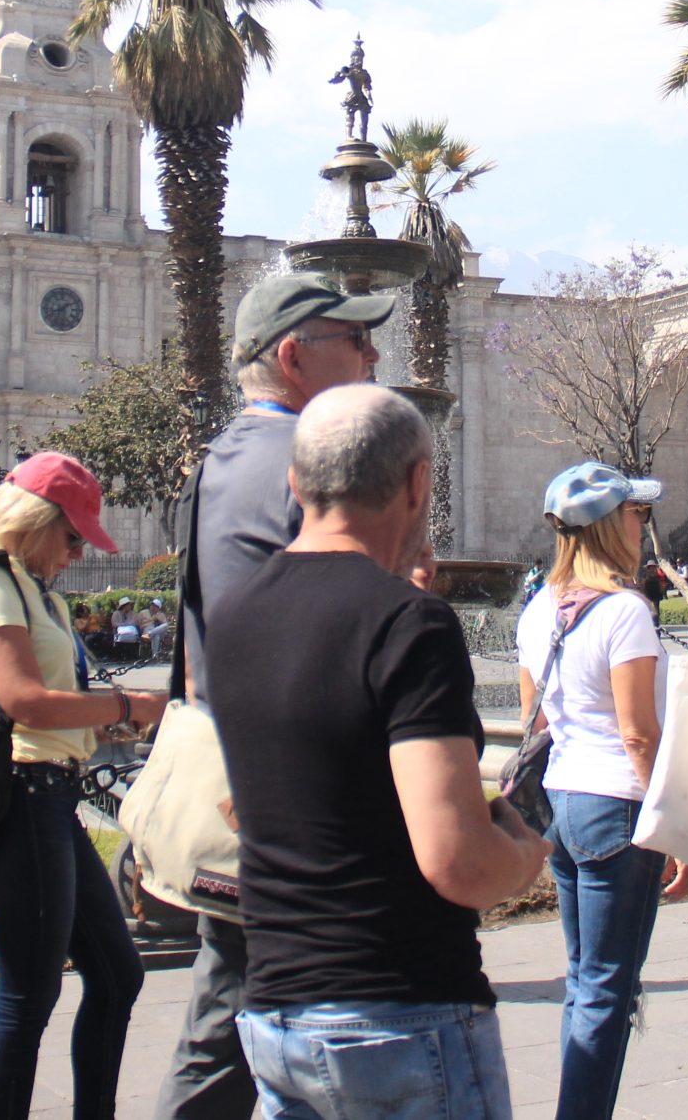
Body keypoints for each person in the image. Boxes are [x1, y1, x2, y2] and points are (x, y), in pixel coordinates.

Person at [213, 386, 551, 1120]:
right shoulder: (408, 624)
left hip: (274, 1010)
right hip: (399, 1007)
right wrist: (524, 855)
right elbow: (458, 861)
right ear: (419, 483)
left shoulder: (235, 615)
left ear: (296, 482)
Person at [155, 270, 394, 1120]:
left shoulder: (219, 458)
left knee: (232, 1016)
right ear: (293, 356)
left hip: (243, 777)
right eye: (355, 339)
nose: (373, 355)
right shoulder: (308, 469)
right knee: (241, 1031)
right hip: (300, 803)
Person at [0, 452, 168, 1120]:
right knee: (27, 997)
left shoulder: (39, 594)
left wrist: (111, 719)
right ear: (34, 522)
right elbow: (24, 700)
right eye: (71, 536)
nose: (76, 553)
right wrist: (128, 705)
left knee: (116, 975)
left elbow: (56, 701)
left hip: (53, 796)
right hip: (22, 796)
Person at [515, 460, 688, 1118]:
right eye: (635, 513)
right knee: (609, 988)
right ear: (607, 526)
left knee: (584, 981)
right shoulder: (625, 611)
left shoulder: (538, 610)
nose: (641, 524)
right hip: (617, 803)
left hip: (563, 802)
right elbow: (639, 734)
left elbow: (533, 719)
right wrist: (672, 824)